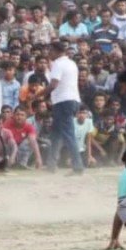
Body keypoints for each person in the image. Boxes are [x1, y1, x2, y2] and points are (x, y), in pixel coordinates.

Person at [46, 41, 83, 174]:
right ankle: (51, 164)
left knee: (68, 134)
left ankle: (78, 166)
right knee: (56, 133)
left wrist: (41, 95)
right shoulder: (71, 63)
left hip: (63, 101)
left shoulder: (58, 63)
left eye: (50, 50)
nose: (48, 53)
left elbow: (53, 84)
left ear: (57, 51)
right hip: (72, 100)